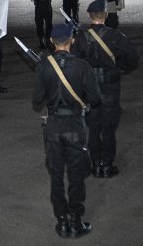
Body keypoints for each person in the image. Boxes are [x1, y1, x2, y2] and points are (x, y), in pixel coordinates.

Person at [32, 22, 101, 239]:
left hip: (53, 125)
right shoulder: (82, 66)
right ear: (71, 40)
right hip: (75, 125)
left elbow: (37, 100)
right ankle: (75, 220)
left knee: (55, 175)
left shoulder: (44, 65)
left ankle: (61, 220)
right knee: (76, 174)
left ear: (52, 42)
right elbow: (95, 98)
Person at [72, 0, 139, 179]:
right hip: (110, 86)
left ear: (89, 15)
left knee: (94, 126)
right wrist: (119, 68)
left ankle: (96, 164)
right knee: (108, 127)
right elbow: (133, 58)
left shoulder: (80, 36)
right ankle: (107, 164)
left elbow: (74, 61)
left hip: (90, 87)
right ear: (106, 15)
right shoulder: (115, 36)